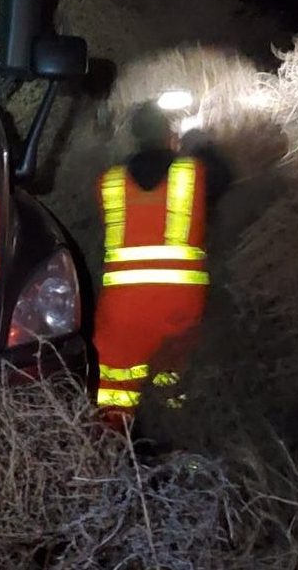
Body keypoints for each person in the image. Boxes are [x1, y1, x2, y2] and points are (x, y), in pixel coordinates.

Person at [91, 99, 232, 431]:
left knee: (115, 388)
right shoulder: (195, 173)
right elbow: (225, 177)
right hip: (180, 307)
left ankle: (110, 454)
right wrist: (199, 143)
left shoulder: (108, 183)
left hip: (121, 308)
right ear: (170, 134)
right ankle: (171, 445)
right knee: (172, 384)